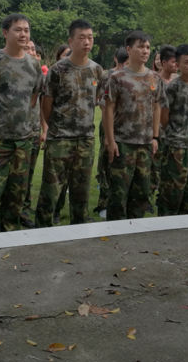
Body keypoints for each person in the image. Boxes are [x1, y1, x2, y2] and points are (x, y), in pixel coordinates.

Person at [0, 14, 44, 234]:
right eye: (18, 30)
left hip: (23, 142)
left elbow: (33, 99)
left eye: (26, 30)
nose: (24, 34)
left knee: (16, 195)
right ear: (5, 33)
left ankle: (10, 236)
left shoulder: (33, 64)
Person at [35, 19, 105, 227]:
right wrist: (55, 129)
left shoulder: (97, 70)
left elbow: (97, 101)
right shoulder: (58, 70)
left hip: (85, 139)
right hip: (60, 139)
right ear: (71, 41)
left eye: (90, 37)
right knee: (51, 188)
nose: (87, 42)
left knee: (81, 188)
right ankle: (43, 227)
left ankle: (79, 226)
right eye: (81, 37)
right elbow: (46, 105)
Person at [104, 31, 163, 220]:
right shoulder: (117, 78)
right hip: (123, 143)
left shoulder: (155, 78)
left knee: (142, 192)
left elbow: (156, 107)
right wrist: (111, 140)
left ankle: (135, 231)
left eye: (147, 47)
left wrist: (155, 137)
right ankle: (114, 231)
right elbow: (108, 110)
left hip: (145, 144)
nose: (145, 51)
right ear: (129, 50)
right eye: (140, 47)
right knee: (119, 193)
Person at [158, 44, 188, 216]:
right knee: (172, 192)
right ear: (178, 65)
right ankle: (164, 225)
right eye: (187, 62)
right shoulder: (173, 87)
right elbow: (164, 117)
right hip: (175, 147)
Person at [94, 47, 128, 218]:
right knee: (107, 160)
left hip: (126, 128)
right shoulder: (109, 76)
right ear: (119, 62)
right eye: (126, 64)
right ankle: (103, 202)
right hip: (109, 125)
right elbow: (102, 101)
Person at [19, 38, 45, 228]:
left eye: (33, 49)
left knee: (28, 173)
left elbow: (43, 104)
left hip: (33, 130)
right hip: (12, 133)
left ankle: (24, 210)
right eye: (27, 48)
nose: (30, 51)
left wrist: (44, 129)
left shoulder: (37, 73)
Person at [150, 45, 177, 205]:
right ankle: (148, 198)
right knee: (154, 167)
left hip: (174, 132)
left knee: (170, 169)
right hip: (157, 131)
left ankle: (164, 198)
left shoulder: (178, 81)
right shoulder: (153, 80)